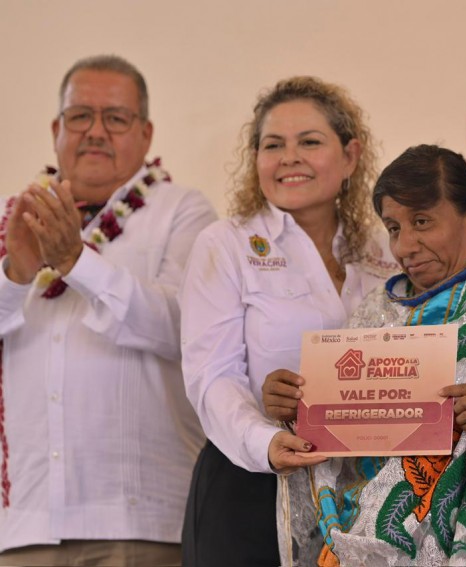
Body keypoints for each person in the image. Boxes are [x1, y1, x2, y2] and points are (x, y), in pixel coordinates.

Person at [263, 144, 466, 566]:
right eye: (393, 228)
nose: (405, 246)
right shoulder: (376, 309)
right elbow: (336, 436)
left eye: (422, 222)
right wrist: (294, 407)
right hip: (369, 539)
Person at [0, 55, 217, 566]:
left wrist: (76, 262)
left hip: (138, 523)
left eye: (115, 118)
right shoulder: (13, 218)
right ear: (56, 129)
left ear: (145, 133)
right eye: (80, 116)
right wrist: (15, 274)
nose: (95, 131)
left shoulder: (182, 212)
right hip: (28, 522)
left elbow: (183, 328)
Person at [178, 76, 398, 567]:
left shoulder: (385, 250)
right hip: (251, 483)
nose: (289, 157)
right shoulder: (225, 244)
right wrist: (266, 440)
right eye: (273, 145)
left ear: (351, 156)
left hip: (364, 493)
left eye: (310, 142)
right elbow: (212, 376)